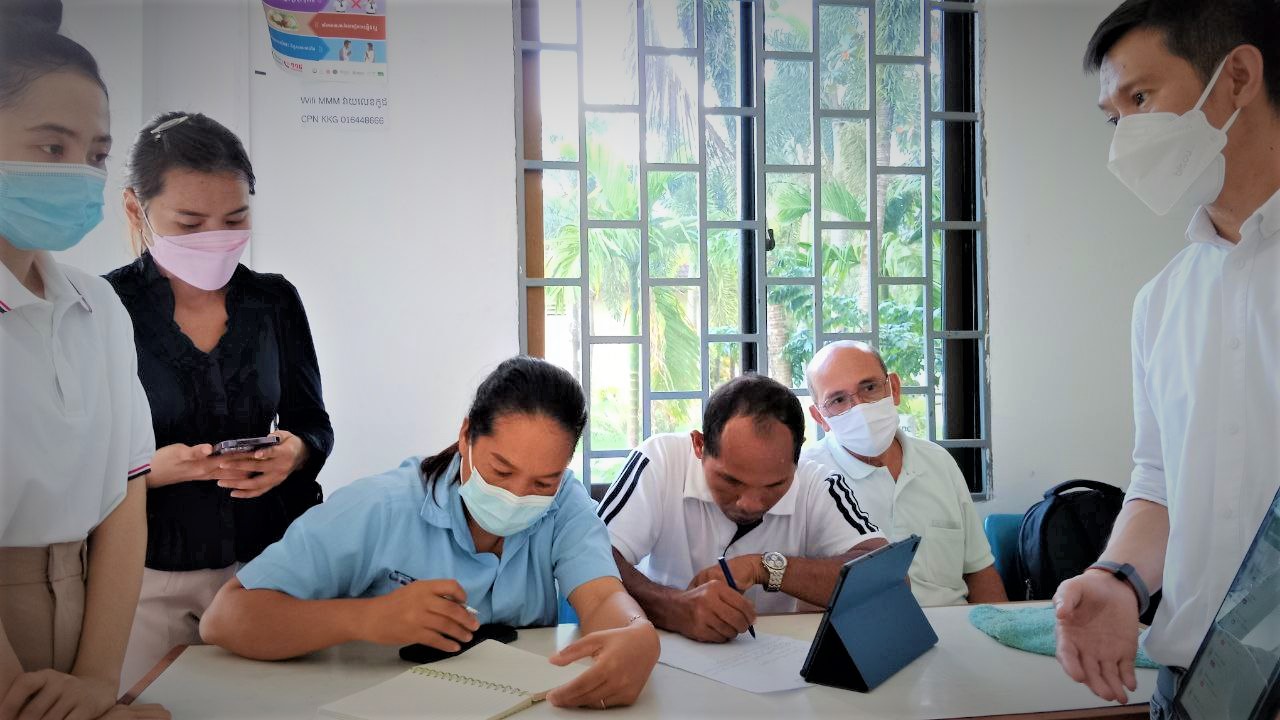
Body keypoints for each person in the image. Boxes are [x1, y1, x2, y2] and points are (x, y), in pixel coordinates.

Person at [199, 357, 660, 709]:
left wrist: (638, 635)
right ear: (466, 437)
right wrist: (365, 619)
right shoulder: (380, 507)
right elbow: (225, 618)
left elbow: (601, 599)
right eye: (501, 470)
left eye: (543, 481)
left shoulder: (566, 504)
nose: (519, 496)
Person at [1056, 0, 1280, 715]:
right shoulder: (1162, 300)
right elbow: (1158, 480)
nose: (1125, 136)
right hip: (1191, 686)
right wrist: (1118, 577)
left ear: (1237, 77)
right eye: (1114, 117)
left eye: (1141, 97)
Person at [104, 112, 334, 692]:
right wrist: (150, 472)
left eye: (234, 219)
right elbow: (76, 461)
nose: (215, 236)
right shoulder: (102, 307)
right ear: (138, 210)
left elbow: (314, 422)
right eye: (190, 222)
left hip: (269, 562)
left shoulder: (275, 301)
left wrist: (295, 452)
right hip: (148, 574)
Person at [0, 12, 168, 720]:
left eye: (96, 153)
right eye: (51, 145)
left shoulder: (100, 306)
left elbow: (127, 502)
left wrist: (99, 678)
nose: (79, 172)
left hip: (87, 615)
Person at [601, 373, 888, 644]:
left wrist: (766, 567)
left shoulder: (818, 484)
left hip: (769, 664)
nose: (750, 503)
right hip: (658, 650)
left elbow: (887, 578)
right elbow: (594, 557)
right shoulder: (661, 460)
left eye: (775, 484)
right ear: (699, 445)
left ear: (797, 454)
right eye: (730, 480)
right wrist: (673, 607)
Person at [801, 342, 1006, 607]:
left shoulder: (939, 462)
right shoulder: (806, 477)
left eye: (870, 388)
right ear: (820, 417)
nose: (860, 407)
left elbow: (979, 571)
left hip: (956, 629)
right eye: (838, 400)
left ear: (894, 388)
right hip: (861, 637)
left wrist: (995, 637)